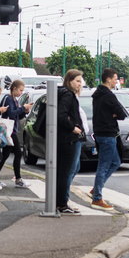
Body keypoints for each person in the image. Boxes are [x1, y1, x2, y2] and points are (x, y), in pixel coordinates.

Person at [90, 68, 128, 210]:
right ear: (108, 79)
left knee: (116, 161)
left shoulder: (96, 94)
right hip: (107, 133)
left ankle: (96, 188)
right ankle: (97, 198)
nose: (116, 81)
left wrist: (113, 114)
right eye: (115, 78)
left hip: (100, 132)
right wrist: (113, 115)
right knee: (104, 165)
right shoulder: (109, 96)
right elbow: (122, 114)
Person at [56, 69, 85, 215]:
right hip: (69, 139)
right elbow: (61, 116)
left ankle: (61, 199)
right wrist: (73, 128)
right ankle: (62, 202)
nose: (80, 84)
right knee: (67, 172)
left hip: (69, 139)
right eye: (77, 81)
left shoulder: (68, 94)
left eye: (81, 81)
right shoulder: (68, 95)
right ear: (69, 81)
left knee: (72, 168)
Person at [0, 79, 32, 187]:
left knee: (5, 155)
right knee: (18, 153)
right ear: (14, 88)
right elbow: (10, 114)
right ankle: (18, 179)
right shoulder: (8, 99)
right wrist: (22, 108)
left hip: (11, 129)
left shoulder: (14, 100)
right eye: (20, 90)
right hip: (9, 130)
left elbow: (17, 115)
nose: (21, 93)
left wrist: (24, 111)